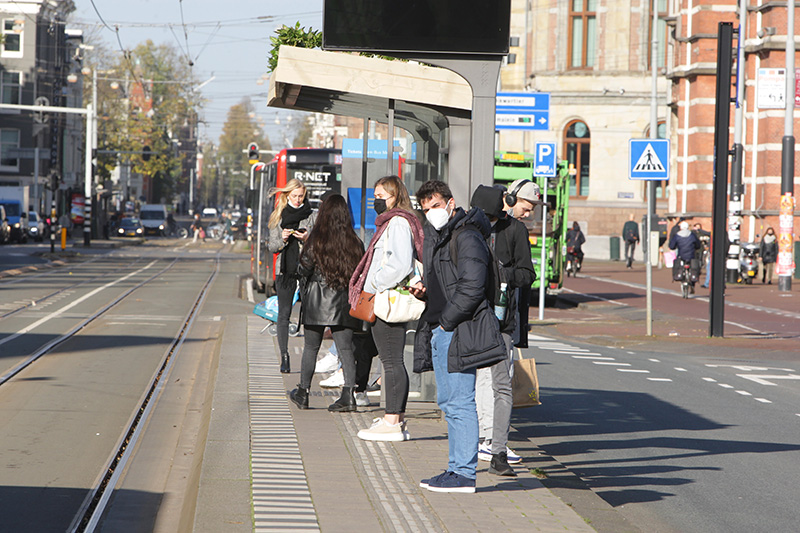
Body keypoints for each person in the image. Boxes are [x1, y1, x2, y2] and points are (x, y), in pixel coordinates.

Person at [410, 180, 507, 494]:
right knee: (451, 402)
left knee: (460, 402)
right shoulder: (447, 236)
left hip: (457, 329)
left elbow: (472, 287)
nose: (431, 214)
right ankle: (456, 470)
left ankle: (463, 473)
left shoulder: (465, 236)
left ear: (451, 204)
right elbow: (450, 283)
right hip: (446, 327)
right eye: (426, 210)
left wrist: (446, 323)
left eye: (436, 206)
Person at [349, 175, 425, 442]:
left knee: (391, 361)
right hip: (385, 298)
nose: (377, 201)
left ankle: (393, 421)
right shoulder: (391, 223)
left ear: (397, 197)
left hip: (387, 299)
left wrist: (375, 286)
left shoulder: (399, 223)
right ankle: (396, 419)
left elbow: (400, 264)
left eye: (383, 196)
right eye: (375, 196)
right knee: (391, 361)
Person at [470, 185, 535, 477]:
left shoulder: (515, 231)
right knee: (471, 382)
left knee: (500, 382)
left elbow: (527, 274)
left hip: (500, 319)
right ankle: (479, 439)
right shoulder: (468, 227)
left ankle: (496, 446)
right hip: (470, 317)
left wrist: (501, 274)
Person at [289, 194, 364, 411]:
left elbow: (303, 268)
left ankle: (303, 393)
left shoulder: (316, 239)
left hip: (316, 301)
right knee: (346, 350)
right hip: (344, 304)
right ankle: (349, 395)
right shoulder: (354, 241)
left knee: (311, 348)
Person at [268, 179, 316, 374]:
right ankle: (284, 356)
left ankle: (309, 355)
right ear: (287, 195)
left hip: (306, 271)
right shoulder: (278, 217)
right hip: (285, 272)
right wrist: (283, 239)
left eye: (300, 196)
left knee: (310, 314)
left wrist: (307, 238)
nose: (297, 200)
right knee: (284, 315)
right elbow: (272, 247)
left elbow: (319, 243)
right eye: (294, 196)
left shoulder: (312, 216)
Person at [501, 179, 540, 349]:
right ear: (511, 199)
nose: (526, 215)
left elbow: (527, 274)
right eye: (525, 210)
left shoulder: (518, 229)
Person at [668, 221, 701, 291]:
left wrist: (673, 247)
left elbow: (671, 246)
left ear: (680, 228)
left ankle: (679, 276)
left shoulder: (677, 236)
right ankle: (692, 282)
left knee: (679, 263)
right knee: (693, 267)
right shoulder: (692, 235)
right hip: (691, 255)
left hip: (681, 255)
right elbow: (698, 244)